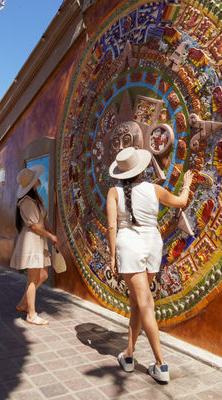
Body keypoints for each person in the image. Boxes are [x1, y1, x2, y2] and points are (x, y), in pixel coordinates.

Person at [107, 147, 193, 383]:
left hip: (129, 246)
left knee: (143, 304)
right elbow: (181, 202)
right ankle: (128, 355)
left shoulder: (113, 193)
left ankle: (160, 364)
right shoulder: (154, 189)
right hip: (152, 244)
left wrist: (112, 255)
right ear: (142, 168)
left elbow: (113, 226)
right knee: (138, 302)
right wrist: (186, 184)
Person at [10, 165, 59, 325]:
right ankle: (31, 314)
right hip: (32, 241)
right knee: (32, 279)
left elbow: (43, 220)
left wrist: (51, 233)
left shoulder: (36, 198)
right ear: (32, 183)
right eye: (35, 177)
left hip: (40, 240)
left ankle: (23, 303)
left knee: (43, 274)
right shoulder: (25, 202)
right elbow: (33, 225)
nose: (38, 179)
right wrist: (50, 235)